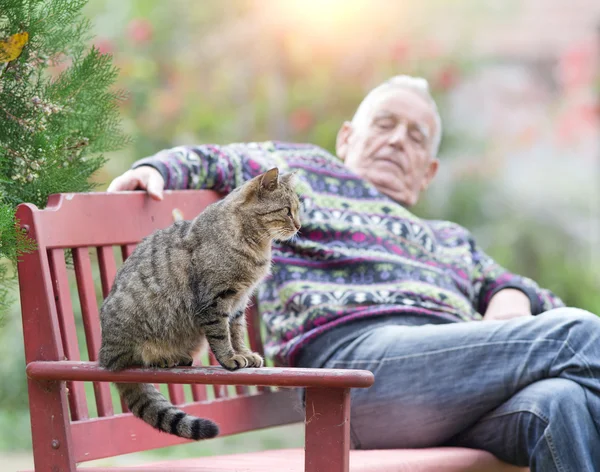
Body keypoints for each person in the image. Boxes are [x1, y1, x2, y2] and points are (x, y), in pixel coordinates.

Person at [108, 75, 600, 471]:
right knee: (580, 334)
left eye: (415, 137)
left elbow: (528, 294)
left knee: (560, 403)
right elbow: (216, 160)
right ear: (348, 136)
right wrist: (155, 168)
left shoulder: (449, 236)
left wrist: (508, 295)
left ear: (427, 171)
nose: (395, 140)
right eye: (384, 123)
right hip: (353, 374)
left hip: (450, 385)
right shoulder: (304, 174)